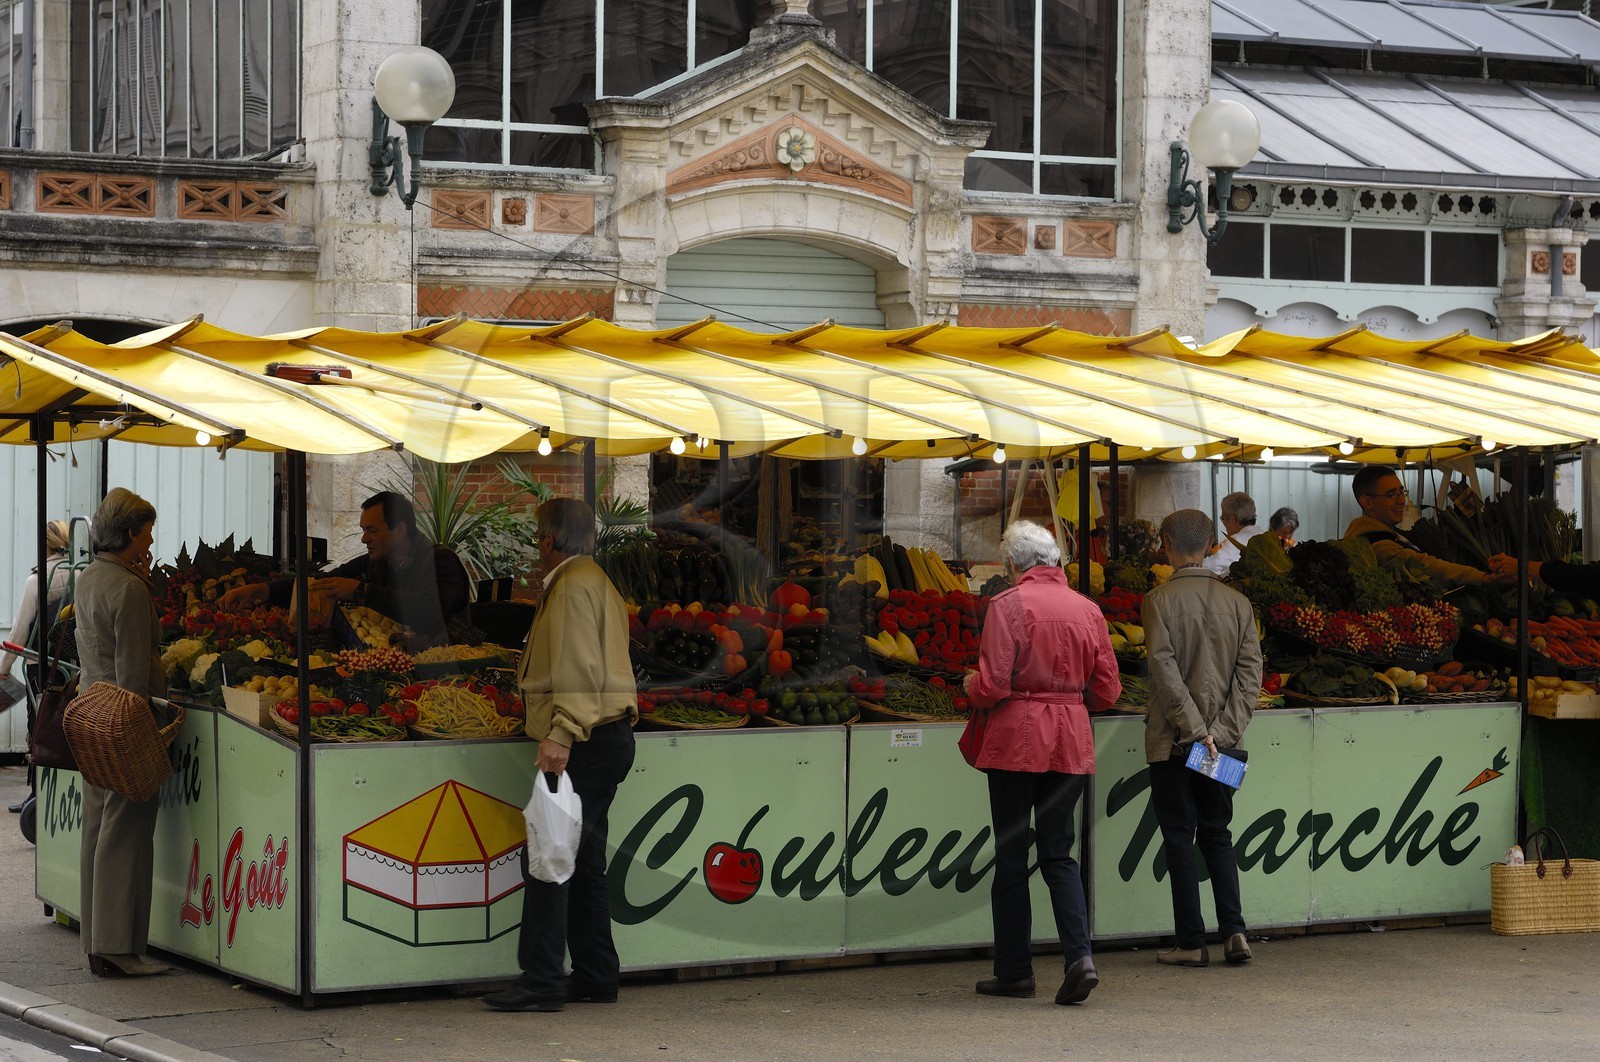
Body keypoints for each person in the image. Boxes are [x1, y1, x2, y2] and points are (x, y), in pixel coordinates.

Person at [485, 497, 638, 1013]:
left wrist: (562, 733)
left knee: (549, 860)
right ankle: (596, 975)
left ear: (549, 540)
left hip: (585, 743)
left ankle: (543, 979)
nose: (535, 546)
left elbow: (578, 666)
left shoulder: (571, 588)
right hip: (606, 739)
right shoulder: (595, 580)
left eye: (536, 536)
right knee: (585, 863)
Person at [962, 521, 1121, 1006]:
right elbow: (1109, 690)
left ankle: (1014, 971)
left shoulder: (1006, 606)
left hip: (1015, 741)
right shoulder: (1088, 610)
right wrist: (1069, 699)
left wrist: (970, 684)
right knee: (1059, 853)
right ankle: (1080, 958)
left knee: (1012, 857)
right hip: (1070, 739)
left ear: (1013, 565)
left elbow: (991, 687)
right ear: (1054, 560)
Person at [1142, 508, 1263, 968]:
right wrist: (1221, 733)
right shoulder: (1239, 603)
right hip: (1221, 744)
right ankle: (1234, 932)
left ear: (1166, 541)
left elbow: (1165, 673)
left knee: (1179, 836)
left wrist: (1196, 733)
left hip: (1175, 743)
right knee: (1218, 834)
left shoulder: (1158, 601)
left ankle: (1191, 942)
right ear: (1213, 542)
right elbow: (1251, 676)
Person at [73, 489, 171, 977]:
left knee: (98, 826)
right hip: (124, 720)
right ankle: (118, 948)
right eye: (148, 530)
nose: (152, 537)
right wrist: (145, 731)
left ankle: (97, 941)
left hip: (92, 713)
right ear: (132, 533)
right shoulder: (129, 589)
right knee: (126, 832)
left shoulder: (91, 578)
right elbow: (134, 675)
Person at [219, 490, 471, 645]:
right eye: (363, 530)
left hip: (448, 672)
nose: (364, 539)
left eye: (372, 530)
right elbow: (321, 584)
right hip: (395, 662)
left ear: (400, 530)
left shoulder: (440, 561)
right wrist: (259, 590)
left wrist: (361, 591)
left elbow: (429, 611)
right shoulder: (375, 564)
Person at [1342, 466, 1510, 589]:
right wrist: (1481, 577)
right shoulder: (1375, 544)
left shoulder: (1382, 534)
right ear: (1367, 501)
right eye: (1392, 495)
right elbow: (1425, 564)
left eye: (1402, 492)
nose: (1401, 500)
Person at [4, 519, 73, 813]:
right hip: (72, 663)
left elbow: (20, 631)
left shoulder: (36, 581)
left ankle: (37, 797)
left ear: (44, 545)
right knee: (68, 726)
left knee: (39, 728)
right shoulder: (79, 573)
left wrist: (4, 667)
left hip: (39, 663)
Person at [1201, 492, 1263, 575]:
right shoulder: (1263, 534)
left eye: (1223, 519)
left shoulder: (1237, 540)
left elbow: (1212, 567)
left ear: (1232, 519)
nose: (1223, 524)